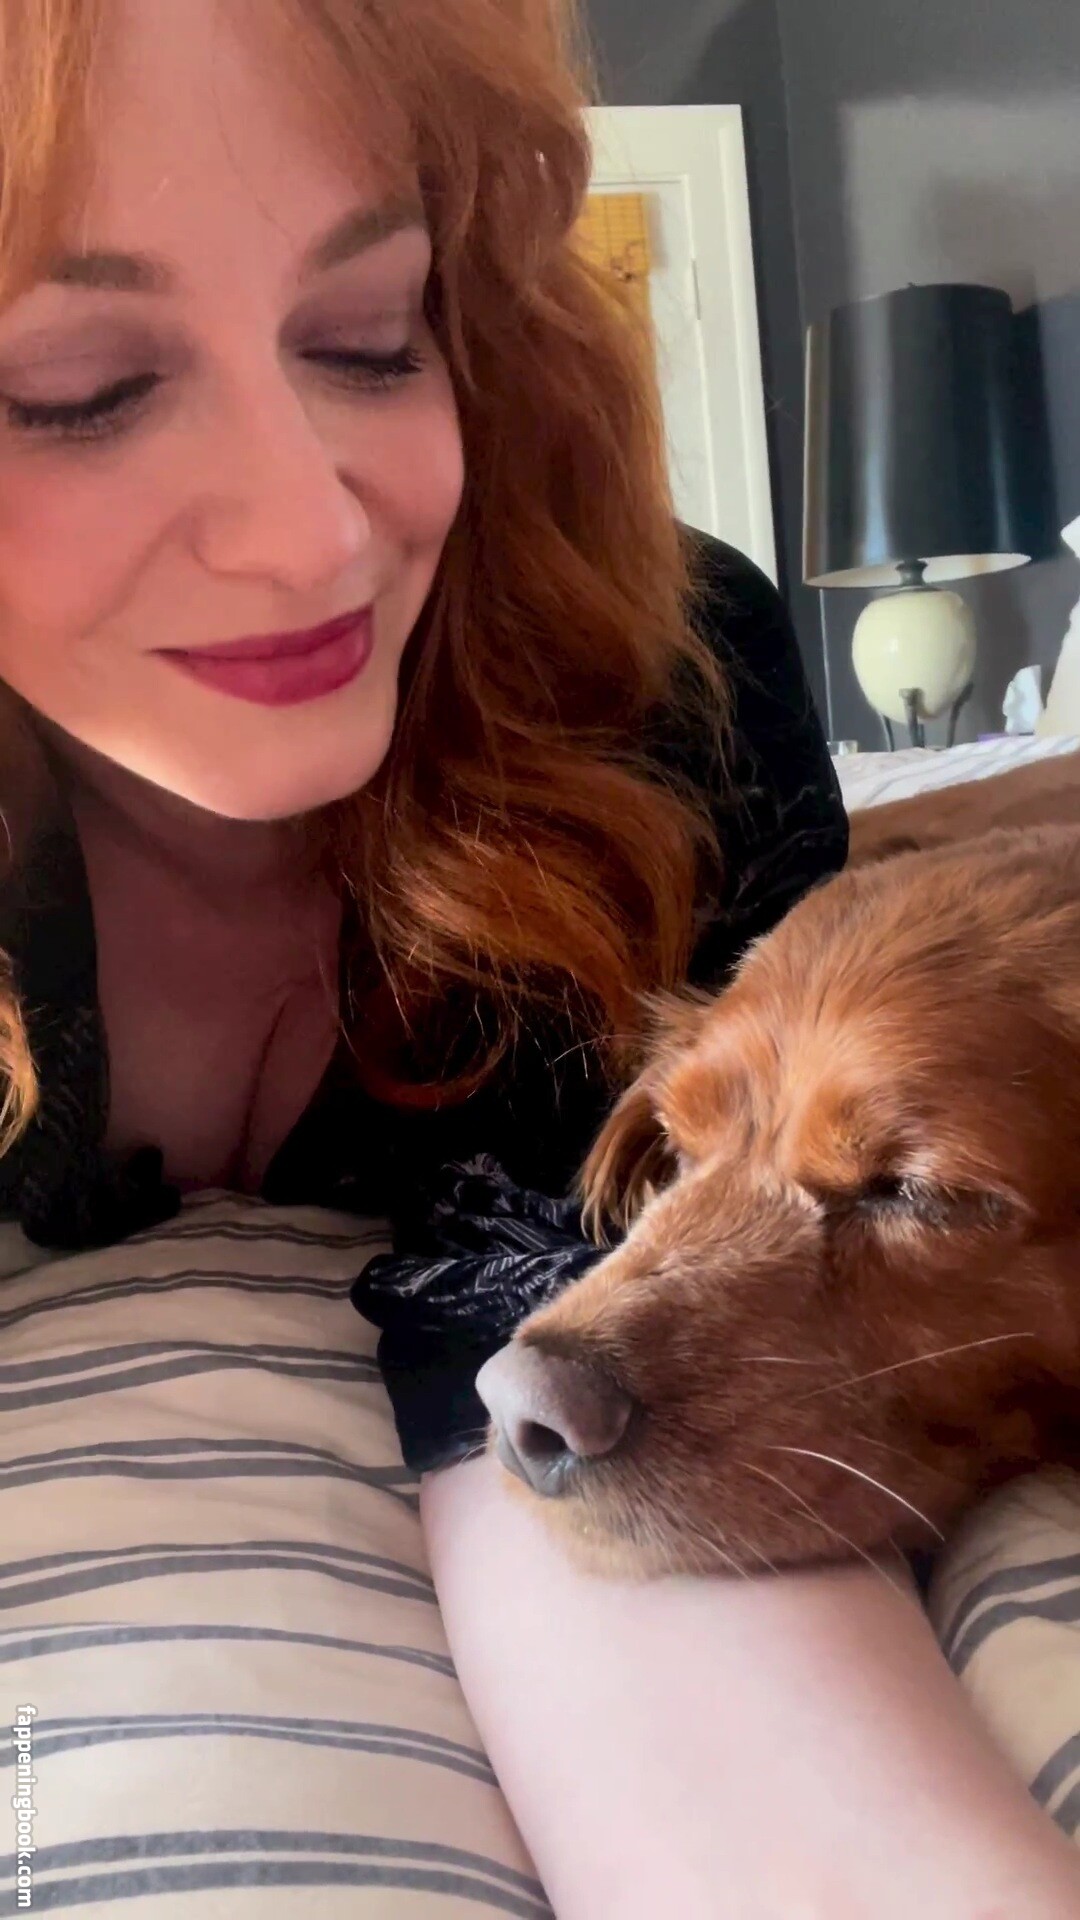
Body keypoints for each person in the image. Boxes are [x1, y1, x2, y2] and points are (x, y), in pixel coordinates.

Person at [0, 0, 1078, 1914]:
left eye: (367, 336)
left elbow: (552, 1319)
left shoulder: (660, 691)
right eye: (75, 388)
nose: (309, 530)